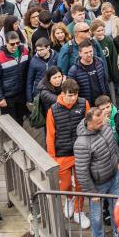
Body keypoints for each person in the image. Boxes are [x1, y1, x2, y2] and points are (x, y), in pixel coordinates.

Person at [73, 105, 119, 237]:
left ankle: (117, 232)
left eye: (103, 120)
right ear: (89, 123)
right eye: (99, 123)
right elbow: (81, 171)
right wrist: (92, 192)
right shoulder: (82, 143)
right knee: (96, 216)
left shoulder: (106, 125)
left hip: (113, 176)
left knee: (116, 208)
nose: (103, 124)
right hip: (97, 185)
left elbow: (113, 144)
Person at [45, 76, 90, 228]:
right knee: (64, 186)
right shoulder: (53, 110)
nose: (73, 98)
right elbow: (50, 136)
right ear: (63, 93)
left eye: (75, 94)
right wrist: (51, 158)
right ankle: (69, 200)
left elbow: (89, 127)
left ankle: (78, 211)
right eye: (70, 95)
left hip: (80, 152)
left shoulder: (84, 104)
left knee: (80, 184)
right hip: (61, 154)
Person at [0, 29, 29, 124]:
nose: (15, 46)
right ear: (6, 43)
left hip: (20, 94)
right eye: (12, 44)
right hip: (7, 97)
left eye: (17, 43)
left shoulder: (25, 52)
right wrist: (0, 98)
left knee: (20, 119)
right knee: (10, 122)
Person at [68, 39, 109, 105]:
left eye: (91, 51)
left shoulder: (100, 62)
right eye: (86, 53)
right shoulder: (73, 71)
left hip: (102, 102)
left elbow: (105, 82)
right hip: (87, 105)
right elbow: (73, 93)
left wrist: (108, 98)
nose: (89, 54)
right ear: (80, 53)